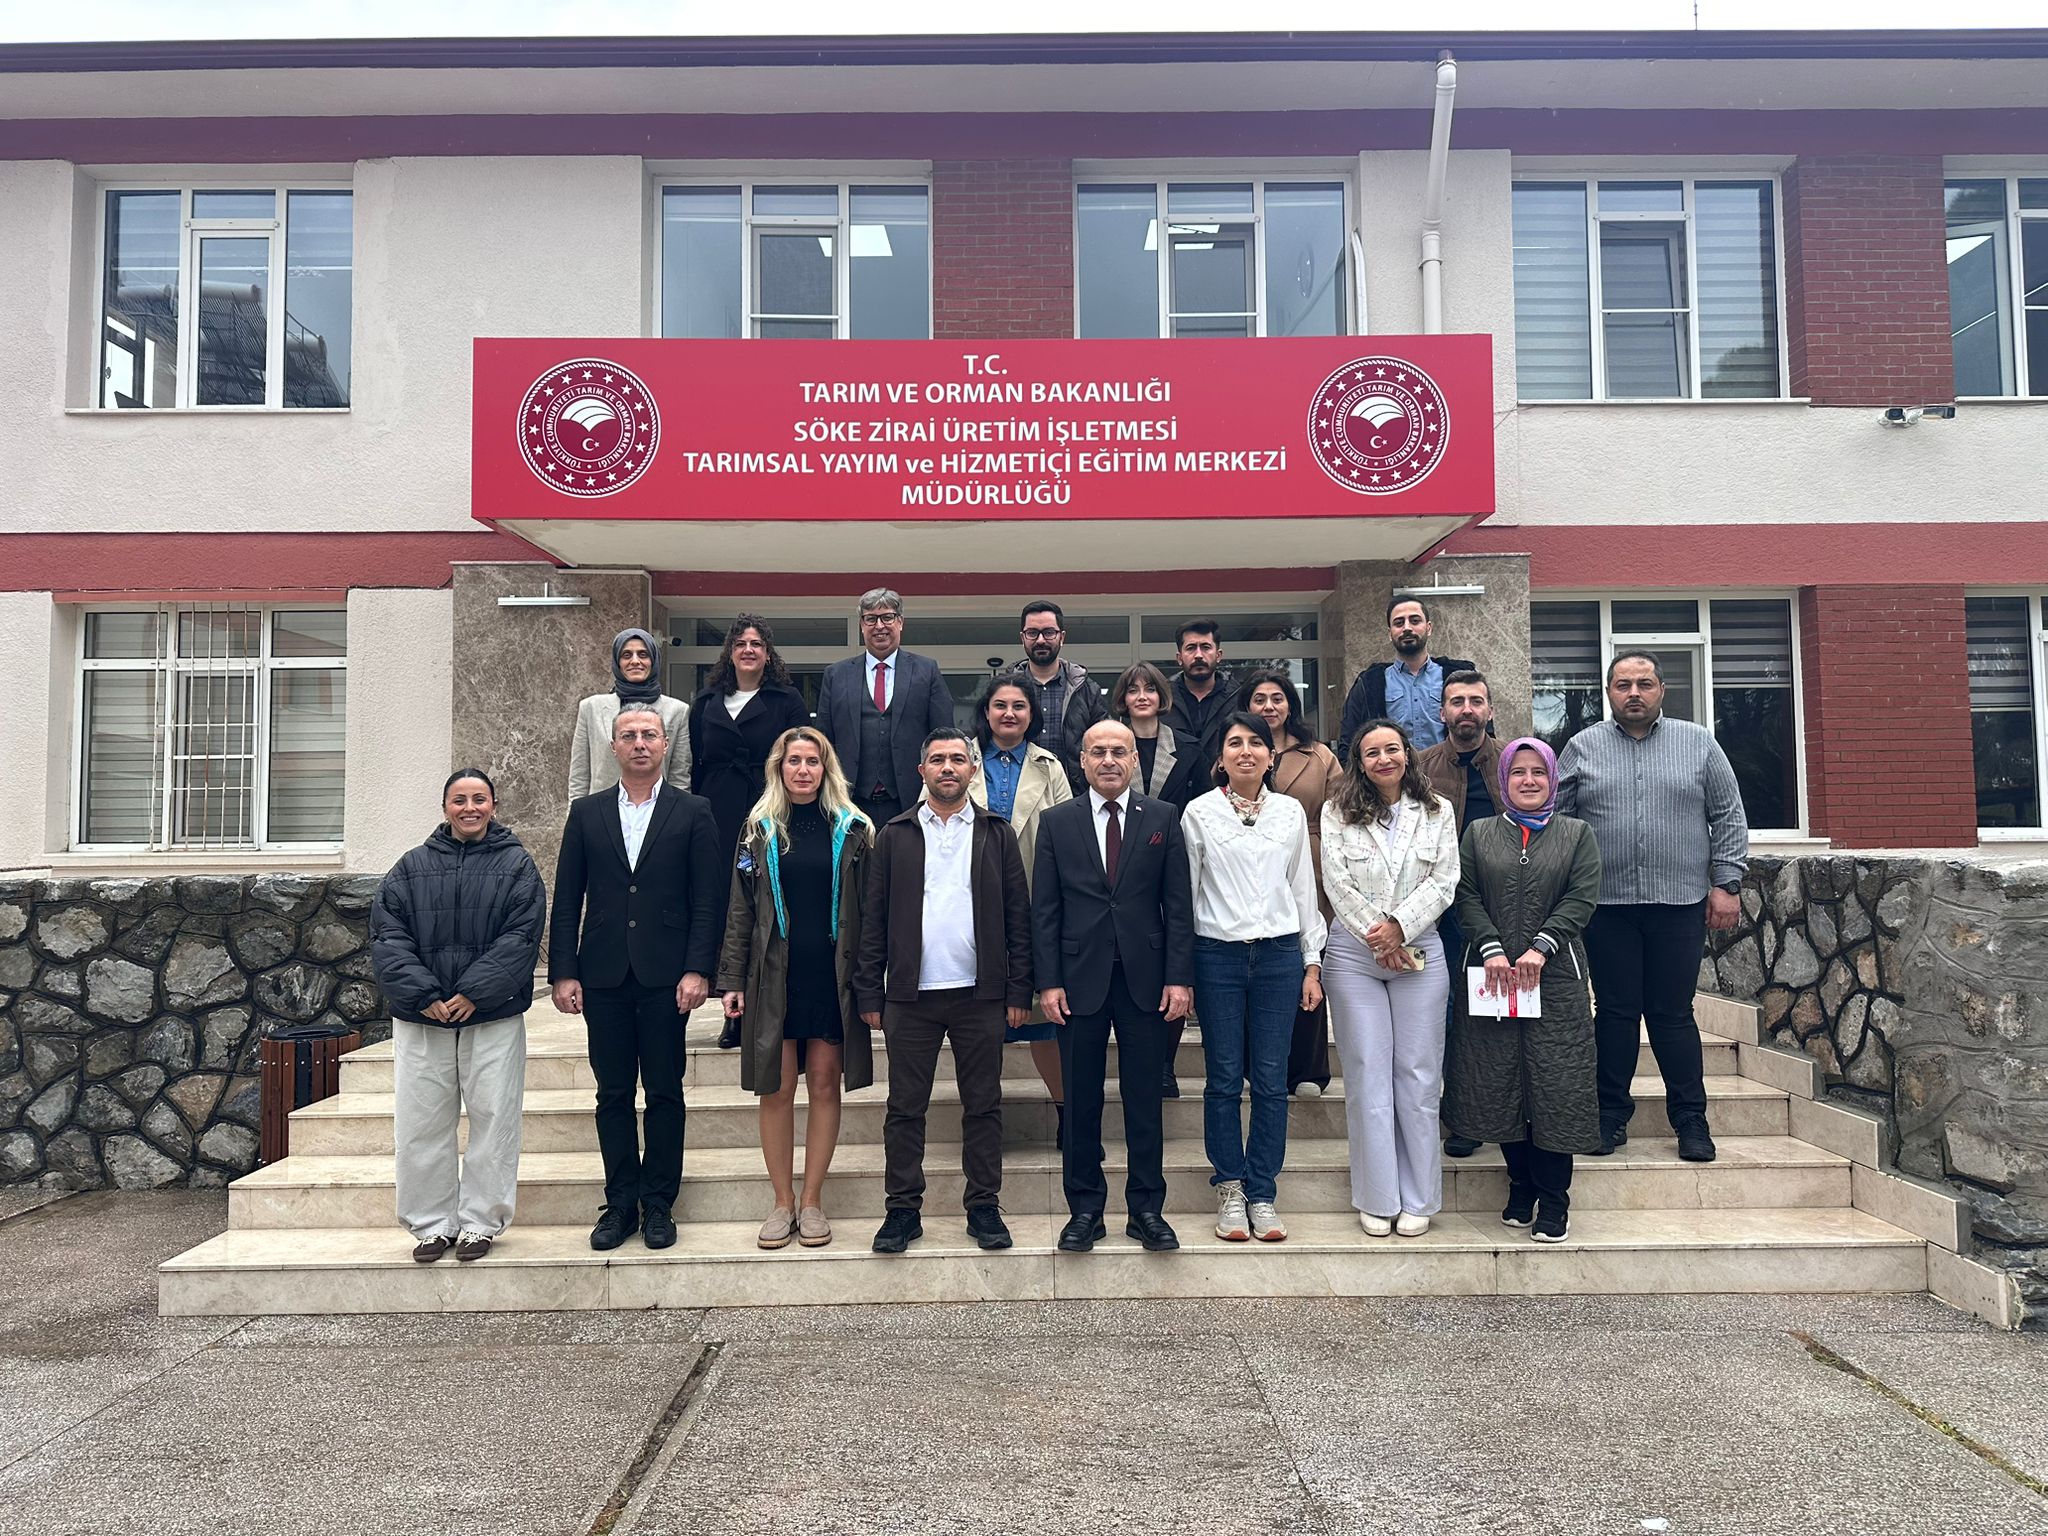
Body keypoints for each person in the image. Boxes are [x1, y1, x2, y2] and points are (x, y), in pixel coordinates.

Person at [1558, 650, 1749, 1164]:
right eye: (1623, 685)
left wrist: (1727, 882)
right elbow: (1560, 822)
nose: (1634, 693)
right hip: (1606, 906)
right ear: (1608, 693)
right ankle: (1608, 1116)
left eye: (1644, 684)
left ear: (1662, 690)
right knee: (1614, 1013)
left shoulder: (1699, 743)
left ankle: (1690, 1121)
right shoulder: (1581, 747)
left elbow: (1729, 815)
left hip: (1679, 903)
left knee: (1672, 1014)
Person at [549, 707, 723, 1253]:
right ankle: (621, 1203)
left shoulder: (693, 811)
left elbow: (708, 899)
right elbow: (567, 897)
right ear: (614, 747)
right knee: (613, 1093)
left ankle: (660, 1203)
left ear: (665, 744)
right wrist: (563, 971)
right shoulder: (587, 812)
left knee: (665, 1091)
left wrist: (698, 968)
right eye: (629, 736)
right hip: (602, 974)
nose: (640, 743)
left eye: (650, 735)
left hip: (667, 976)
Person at [855, 727, 1033, 1255]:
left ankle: (983, 1207)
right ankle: (902, 1211)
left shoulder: (997, 833)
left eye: (958, 759)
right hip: (911, 996)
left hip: (981, 994)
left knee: (983, 1105)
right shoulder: (895, 834)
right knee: (904, 1108)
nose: (948, 767)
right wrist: (870, 992)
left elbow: (1018, 918)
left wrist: (1018, 989)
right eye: (938, 760)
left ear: (973, 770)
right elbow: (873, 918)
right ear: (922, 771)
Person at [369, 769, 547, 1264]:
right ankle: (431, 1225)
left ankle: (480, 1223)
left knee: (494, 1119)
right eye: (459, 800)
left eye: (479, 799)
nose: (470, 808)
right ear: (445, 807)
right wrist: (424, 994)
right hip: (423, 1018)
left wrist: (474, 992)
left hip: (492, 1016)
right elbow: (387, 934)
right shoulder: (410, 867)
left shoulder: (517, 866)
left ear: (494, 805)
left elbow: (522, 935)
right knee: (421, 1124)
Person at [1034, 720, 1195, 1255]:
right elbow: (1045, 910)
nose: (1108, 760)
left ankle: (1147, 1209)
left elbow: (1178, 905)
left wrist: (1178, 977)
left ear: (1134, 760)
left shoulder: (1163, 818)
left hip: (1146, 982)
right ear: (1081, 761)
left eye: (1119, 751)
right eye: (1098, 751)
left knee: (1143, 1099)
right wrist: (1048, 982)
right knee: (1080, 1101)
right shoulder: (1057, 822)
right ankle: (1085, 1210)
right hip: (1077, 981)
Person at [716, 728, 873, 1251]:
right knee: (776, 1087)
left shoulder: (854, 829)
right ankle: (781, 1202)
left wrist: (871, 979)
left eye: (812, 761)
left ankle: (811, 1200)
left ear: (826, 769)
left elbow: (870, 910)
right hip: (773, 975)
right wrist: (731, 979)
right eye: (793, 761)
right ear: (778, 768)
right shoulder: (757, 831)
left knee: (825, 1084)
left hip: (831, 975)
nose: (803, 770)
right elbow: (740, 910)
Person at [1444, 738, 1604, 1244]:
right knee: (1499, 1082)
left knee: (1556, 1087)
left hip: (1553, 980)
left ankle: (1554, 1200)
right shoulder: (1479, 833)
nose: (1529, 780)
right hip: (1492, 977)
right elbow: (1464, 894)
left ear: (1552, 779)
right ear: (1504, 780)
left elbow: (1582, 897)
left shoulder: (1576, 834)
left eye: (1538, 772)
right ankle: (1520, 1186)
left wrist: (1541, 947)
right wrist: (1491, 948)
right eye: (1518, 772)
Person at [1183, 712, 1325, 1243]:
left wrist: (1312, 962)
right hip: (1216, 956)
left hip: (1278, 957)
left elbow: (1303, 889)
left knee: (1269, 1078)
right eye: (1235, 743)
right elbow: (1187, 893)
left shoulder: (1289, 813)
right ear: (1221, 758)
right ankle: (1230, 1187)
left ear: (1271, 756)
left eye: (1256, 744)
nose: (1246, 751)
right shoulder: (1199, 812)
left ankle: (1262, 1191)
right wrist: (1183, 972)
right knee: (1222, 1078)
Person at [1321, 718, 1461, 1237]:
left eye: (1392, 750)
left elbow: (1444, 880)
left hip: (1419, 952)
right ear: (1359, 762)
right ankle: (1378, 1197)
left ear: (1408, 755)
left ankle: (1419, 1197)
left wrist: (1400, 928)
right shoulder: (1336, 812)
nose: (1384, 759)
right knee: (1367, 1075)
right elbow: (1335, 881)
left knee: (1419, 1076)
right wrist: (1380, 936)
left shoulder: (1437, 811)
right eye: (1372, 752)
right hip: (1354, 955)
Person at [690, 615, 811, 1049]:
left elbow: (802, 753)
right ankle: (733, 1011)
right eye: (740, 643)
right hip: (719, 815)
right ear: (730, 651)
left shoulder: (787, 699)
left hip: (771, 810)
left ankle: (780, 1007)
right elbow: (695, 762)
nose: (748, 650)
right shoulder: (706, 701)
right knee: (731, 907)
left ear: (767, 653)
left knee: (769, 902)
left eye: (756, 643)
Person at [962, 675, 1073, 1140]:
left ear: (1032, 714)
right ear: (986, 712)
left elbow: (1070, 836)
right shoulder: (958, 758)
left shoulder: (1050, 766)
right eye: (1000, 705)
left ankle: (1069, 1117)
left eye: (1019, 706)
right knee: (981, 1022)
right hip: (969, 909)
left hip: (1035, 903)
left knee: (1043, 1020)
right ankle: (984, 1121)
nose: (1009, 713)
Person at [1241, 668, 1342, 1100]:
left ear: (1290, 704)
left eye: (1277, 698)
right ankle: (1256, 1066)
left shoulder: (1319, 755)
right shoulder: (1238, 748)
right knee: (1257, 966)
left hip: (1310, 864)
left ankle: (1308, 1069)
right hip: (1250, 868)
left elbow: (1341, 812)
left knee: (1308, 962)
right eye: (1259, 699)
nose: (1269, 706)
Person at [1416, 669, 1504, 1159]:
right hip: (1442, 912)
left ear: (1489, 710)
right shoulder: (1420, 766)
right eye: (1456, 701)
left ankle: (1502, 1109)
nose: (1466, 709)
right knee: (1450, 1013)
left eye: (1475, 700)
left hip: (1504, 907)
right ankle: (1461, 1114)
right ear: (1442, 712)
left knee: (1499, 1015)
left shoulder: (1515, 761)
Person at [816, 587, 956, 829]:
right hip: (850, 803)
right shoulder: (836, 675)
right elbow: (823, 740)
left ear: (900, 622)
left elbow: (944, 737)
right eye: (871, 619)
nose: (879, 626)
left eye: (887, 617)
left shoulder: (926, 671)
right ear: (862, 625)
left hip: (911, 803)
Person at [1338, 597, 1474, 761]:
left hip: (1448, 773)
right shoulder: (1369, 684)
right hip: (1391, 774)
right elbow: (1349, 742)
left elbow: (1482, 732)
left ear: (1429, 628)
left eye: (1415, 621)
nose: (1407, 628)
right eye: (1399, 623)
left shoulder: (1458, 678)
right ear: (1390, 633)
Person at [569, 627, 692, 798]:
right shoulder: (591, 708)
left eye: (643, 654)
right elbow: (579, 776)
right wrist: (575, 813)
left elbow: (679, 777)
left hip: (658, 810)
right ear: (617, 662)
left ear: (654, 660)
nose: (635, 661)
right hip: (601, 810)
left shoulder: (677, 711)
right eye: (626, 655)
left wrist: (679, 813)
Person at [1013, 600, 1108, 790]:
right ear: (1022, 638)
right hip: (1018, 793)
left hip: (1074, 794)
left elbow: (1103, 743)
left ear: (1062, 637)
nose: (1041, 640)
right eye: (1032, 633)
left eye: (1049, 632)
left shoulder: (1087, 690)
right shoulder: (1007, 689)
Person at [1108, 660, 1199, 810]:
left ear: (1161, 696)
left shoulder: (1189, 749)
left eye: (1150, 689)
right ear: (1123, 699)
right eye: (1133, 691)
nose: (1142, 697)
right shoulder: (1108, 750)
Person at [1170, 618, 1234, 770]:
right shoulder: (1163, 699)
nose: (1198, 655)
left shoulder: (1238, 698)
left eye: (1206, 647)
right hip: (1174, 784)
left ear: (1218, 655)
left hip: (1224, 782)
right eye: (1191, 648)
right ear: (1179, 658)